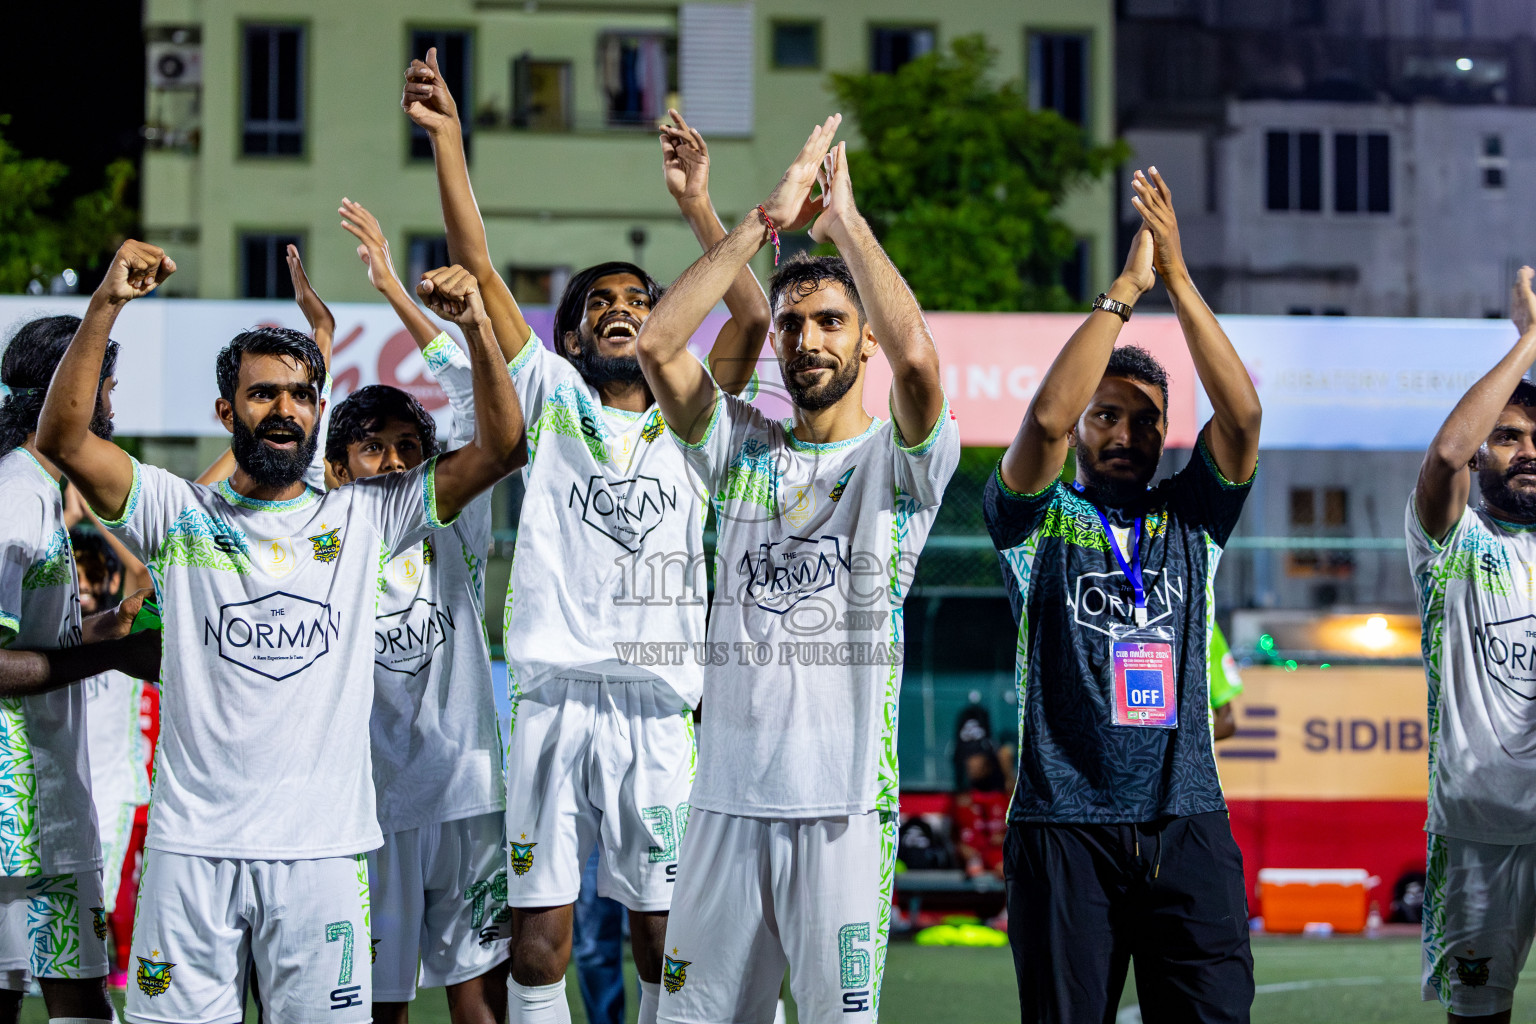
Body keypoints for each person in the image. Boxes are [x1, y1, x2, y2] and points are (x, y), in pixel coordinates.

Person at [36, 239, 525, 1024]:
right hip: (192, 850)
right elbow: (64, 440)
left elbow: (502, 448)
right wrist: (106, 303)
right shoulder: (180, 513)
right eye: (264, 395)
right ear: (227, 412)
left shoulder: (368, 516)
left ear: (318, 411)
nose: (285, 409)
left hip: (323, 857)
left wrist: (474, 327)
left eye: (301, 395)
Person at [402, 48, 770, 1024]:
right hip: (554, 694)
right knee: (541, 937)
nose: (618, 310)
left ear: (666, 333)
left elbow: (752, 312)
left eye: (638, 303)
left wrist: (702, 205)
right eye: (597, 303)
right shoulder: (555, 399)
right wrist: (447, 141)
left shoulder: (695, 415)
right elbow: (479, 266)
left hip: (657, 702)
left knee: (664, 934)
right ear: (567, 339)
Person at [636, 120, 960, 1022]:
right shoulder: (742, 448)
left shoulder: (901, 466)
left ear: (864, 346)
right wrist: (759, 222)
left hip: (845, 813)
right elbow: (661, 347)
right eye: (790, 324)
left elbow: (923, 363)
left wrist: (845, 223)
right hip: (725, 809)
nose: (807, 339)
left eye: (830, 322)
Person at [984, 168, 1261, 1023]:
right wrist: (1127, 291)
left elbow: (1243, 420)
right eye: (1108, 415)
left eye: (1147, 420)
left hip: (1188, 820)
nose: (1127, 433)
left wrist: (1178, 277)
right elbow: (1043, 424)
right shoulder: (1037, 519)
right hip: (1062, 825)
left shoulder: (1191, 516)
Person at [336, 198, 511, 1024]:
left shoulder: (457, 518)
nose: (397, 461)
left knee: (479, 1000)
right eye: (374, 446)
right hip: (366, 805)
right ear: (336, 468)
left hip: (468, 792)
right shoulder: (320, 537)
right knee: (382, 1004)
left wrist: (406, 300)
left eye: (411, 446)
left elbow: (485, 413)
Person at [0, 314, 160, 1024]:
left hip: (52, 808)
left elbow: (44, 637)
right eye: (106, 389)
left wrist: (112, 626)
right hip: (13, 816)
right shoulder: (13, 497)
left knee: (83, 1004)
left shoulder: (40, 488)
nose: (113, 410)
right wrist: (117, 655)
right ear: (70, 392)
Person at [1409, 264, 1536, 1023]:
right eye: (1510, 437)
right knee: (1479, 1015)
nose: (1527, 451)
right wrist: (1530, 340)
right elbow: (1447, 454)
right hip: (1477, 834)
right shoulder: (1451, 543)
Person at [72, 529, 153, 912]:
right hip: (55, 788)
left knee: (91, 909)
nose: (83, 582)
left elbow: (142, 567)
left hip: (109, 792)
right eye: (74, 571)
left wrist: (87, 505)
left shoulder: (126, 621)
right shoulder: (51, 629)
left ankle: (101, 974)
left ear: (114, 578)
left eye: (93, 570)